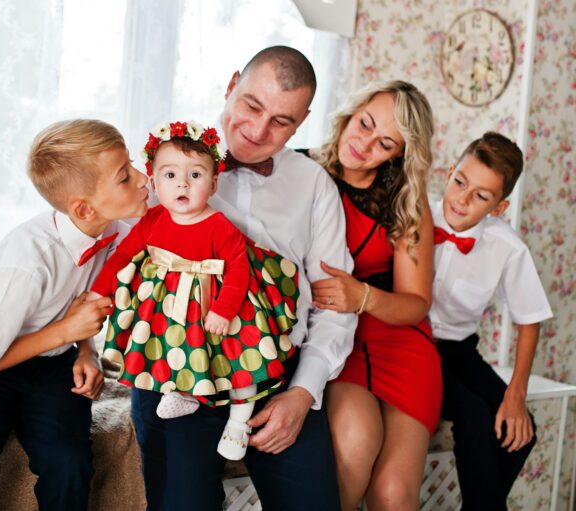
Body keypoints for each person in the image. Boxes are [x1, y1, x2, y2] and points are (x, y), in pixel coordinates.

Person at [130, 46, 356, 510]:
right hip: (177, 366)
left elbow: (334, 305)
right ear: (232, 84)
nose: (257, 131)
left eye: (281, 122)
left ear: (302, 121)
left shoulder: (314, 185)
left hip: (277, 373)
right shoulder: (165, 162)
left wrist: (303, 392)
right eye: (252, 106)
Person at [0, 119, 149, 511]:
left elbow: (81, 301)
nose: (142, 177)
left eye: (131, 165)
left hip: (52, 365)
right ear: (83, 207)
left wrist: (86, 352)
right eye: (124, 176)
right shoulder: (25, 263)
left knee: (70, 465)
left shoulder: (115, 227)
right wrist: (67, 331)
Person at [89, 120, 299, 461]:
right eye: (170, 175)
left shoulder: (218, 225)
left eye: (196, 175)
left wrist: (224, 310)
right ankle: (185, 392)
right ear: (154, 181)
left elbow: (238, 269)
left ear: (214, 183)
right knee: (170, 345)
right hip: (174, 308)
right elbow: (122, 256)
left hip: (216, 303)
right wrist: (100, 292)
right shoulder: (152, 221)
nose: (182, 183)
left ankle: (239, 419)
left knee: (237, 359)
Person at [307, 80, 437, 511]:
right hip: (337, 340)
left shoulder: (406, 197)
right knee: (355, 444)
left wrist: (362, 296)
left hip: (400, 340)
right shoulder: (300, 170)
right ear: (352, 110)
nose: (363, 145)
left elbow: (417, 301)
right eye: (364, 124)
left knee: (393, 495)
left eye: (384, 143)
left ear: (398, 154)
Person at [430, 132, 552, 510]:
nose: (462, 199)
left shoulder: (506, 247)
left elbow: (529, 320)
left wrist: (516, 395)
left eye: (481, 196)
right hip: (413, 343)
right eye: (460, 182)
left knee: (520, 430)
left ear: (498, 208)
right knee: (476, 418)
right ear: (450, 173)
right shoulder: (418, 215)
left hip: (459, 350)